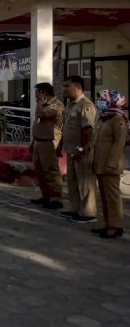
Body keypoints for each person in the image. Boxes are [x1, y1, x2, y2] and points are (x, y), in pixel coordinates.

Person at [56, 76, 97, 224]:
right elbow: (66, 128)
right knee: (73, 182)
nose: (64, 89)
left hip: (82, 151)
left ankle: (88, 213)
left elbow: (88, 130)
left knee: (85, 182)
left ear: (78, 87)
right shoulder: (70, 105)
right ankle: (75, 209)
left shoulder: (86, 105)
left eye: (67, 86)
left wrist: (82, 148)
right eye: (64, 86)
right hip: (71, 150)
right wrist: (60, 145)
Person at [91, 90, 128, 239]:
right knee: (105, 197)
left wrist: (111, 164)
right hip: (100, 163)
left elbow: (119, 144)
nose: (100, 101)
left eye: (103, 99)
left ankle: (115, 226)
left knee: (113, 197)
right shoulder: (104, 118)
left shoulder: (118, 120)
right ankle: (106, 223)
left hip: (110, 166)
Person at [29, 83, 65, 209]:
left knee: (51, 170)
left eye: (37, 92)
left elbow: (42, 115)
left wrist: (39, 100)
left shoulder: (55, 104)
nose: (35, 94)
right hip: (39, 140)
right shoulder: (42, 104)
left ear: (43, 92)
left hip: (49, 141)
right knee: (40, 170)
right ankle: (46, 196)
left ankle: (56, 198)